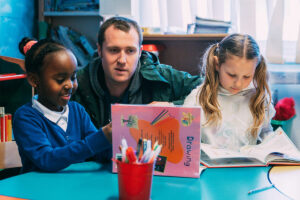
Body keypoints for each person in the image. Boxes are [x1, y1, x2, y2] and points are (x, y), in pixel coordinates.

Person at [71, 16, 202, 129]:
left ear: (140, 52)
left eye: (130, 51)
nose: (122, 60)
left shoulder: (162, 76)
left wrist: (171, 106)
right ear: (99, 50)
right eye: (114, 50)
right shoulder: (77, 83)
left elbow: (209, 90)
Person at [13, 37, 112, 173]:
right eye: (60, 79)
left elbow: (98, 151)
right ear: (34, 80)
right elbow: (46, 159)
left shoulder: (78, 111)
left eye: (73, 77)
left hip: (73, 188)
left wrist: (118, 143)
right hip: (38, 191)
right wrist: (101, 137)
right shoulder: (25, 117)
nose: (70, 85)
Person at [183, 33, 275, 151]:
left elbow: (266, 132)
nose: (238, 84)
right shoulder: (196, 100)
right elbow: (185, 141)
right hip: (211, 167)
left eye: (247, 76)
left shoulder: (259, 99)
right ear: (217, 64)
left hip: (249, 167)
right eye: (231, 75)